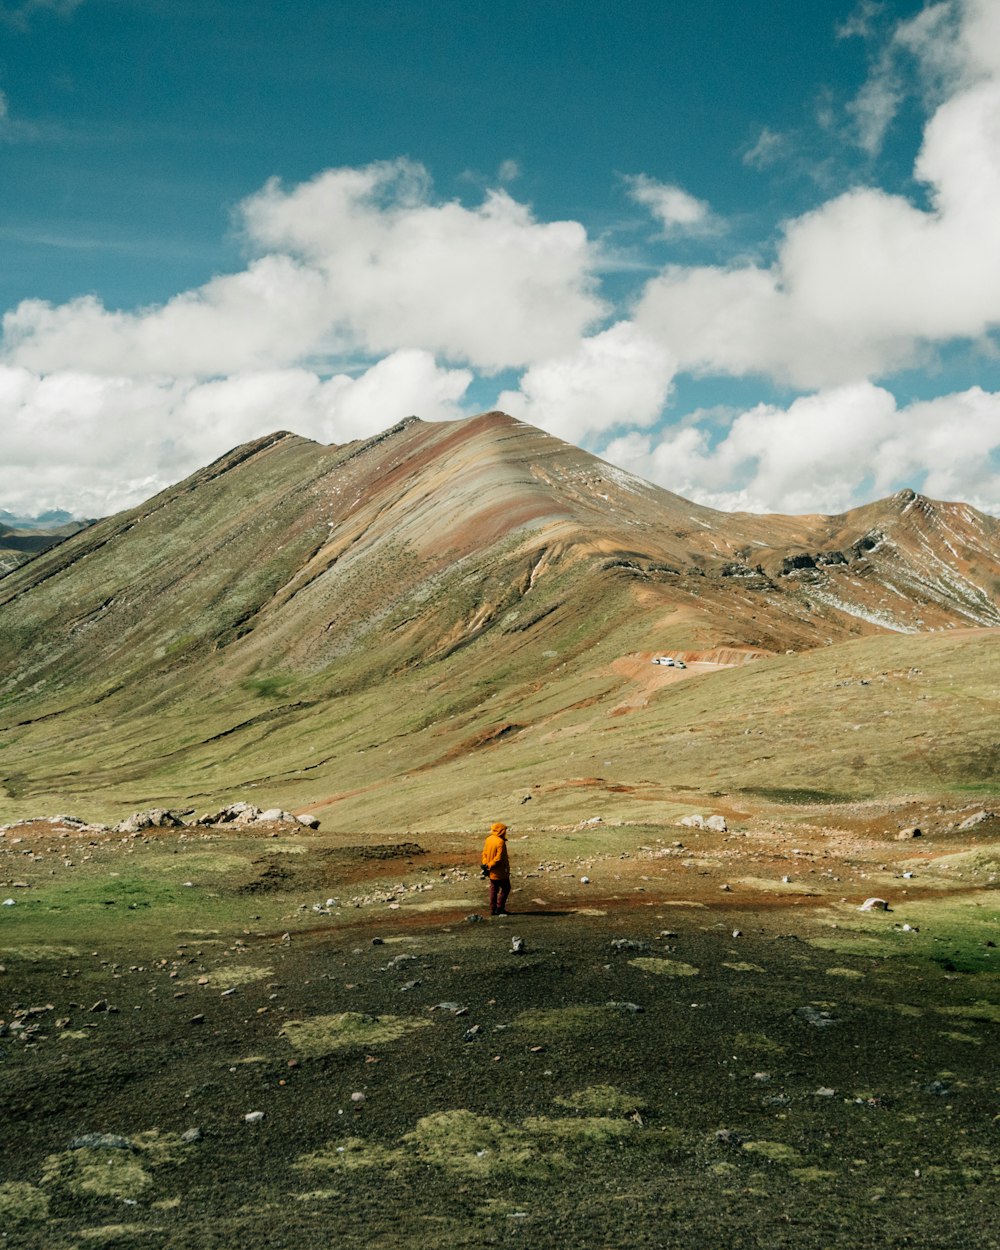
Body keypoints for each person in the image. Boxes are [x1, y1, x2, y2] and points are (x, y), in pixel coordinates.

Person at [480, 821, 511, 915]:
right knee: (506, 888)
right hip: (500, 870)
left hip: (490, 870)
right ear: (501, 831)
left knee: (493, 889)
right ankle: (500, 908)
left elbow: (484, 853)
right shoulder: (500, 842)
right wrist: (490, 865)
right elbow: (499, 858)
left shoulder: (488, 839)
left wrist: (486, 865)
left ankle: (493, 909)